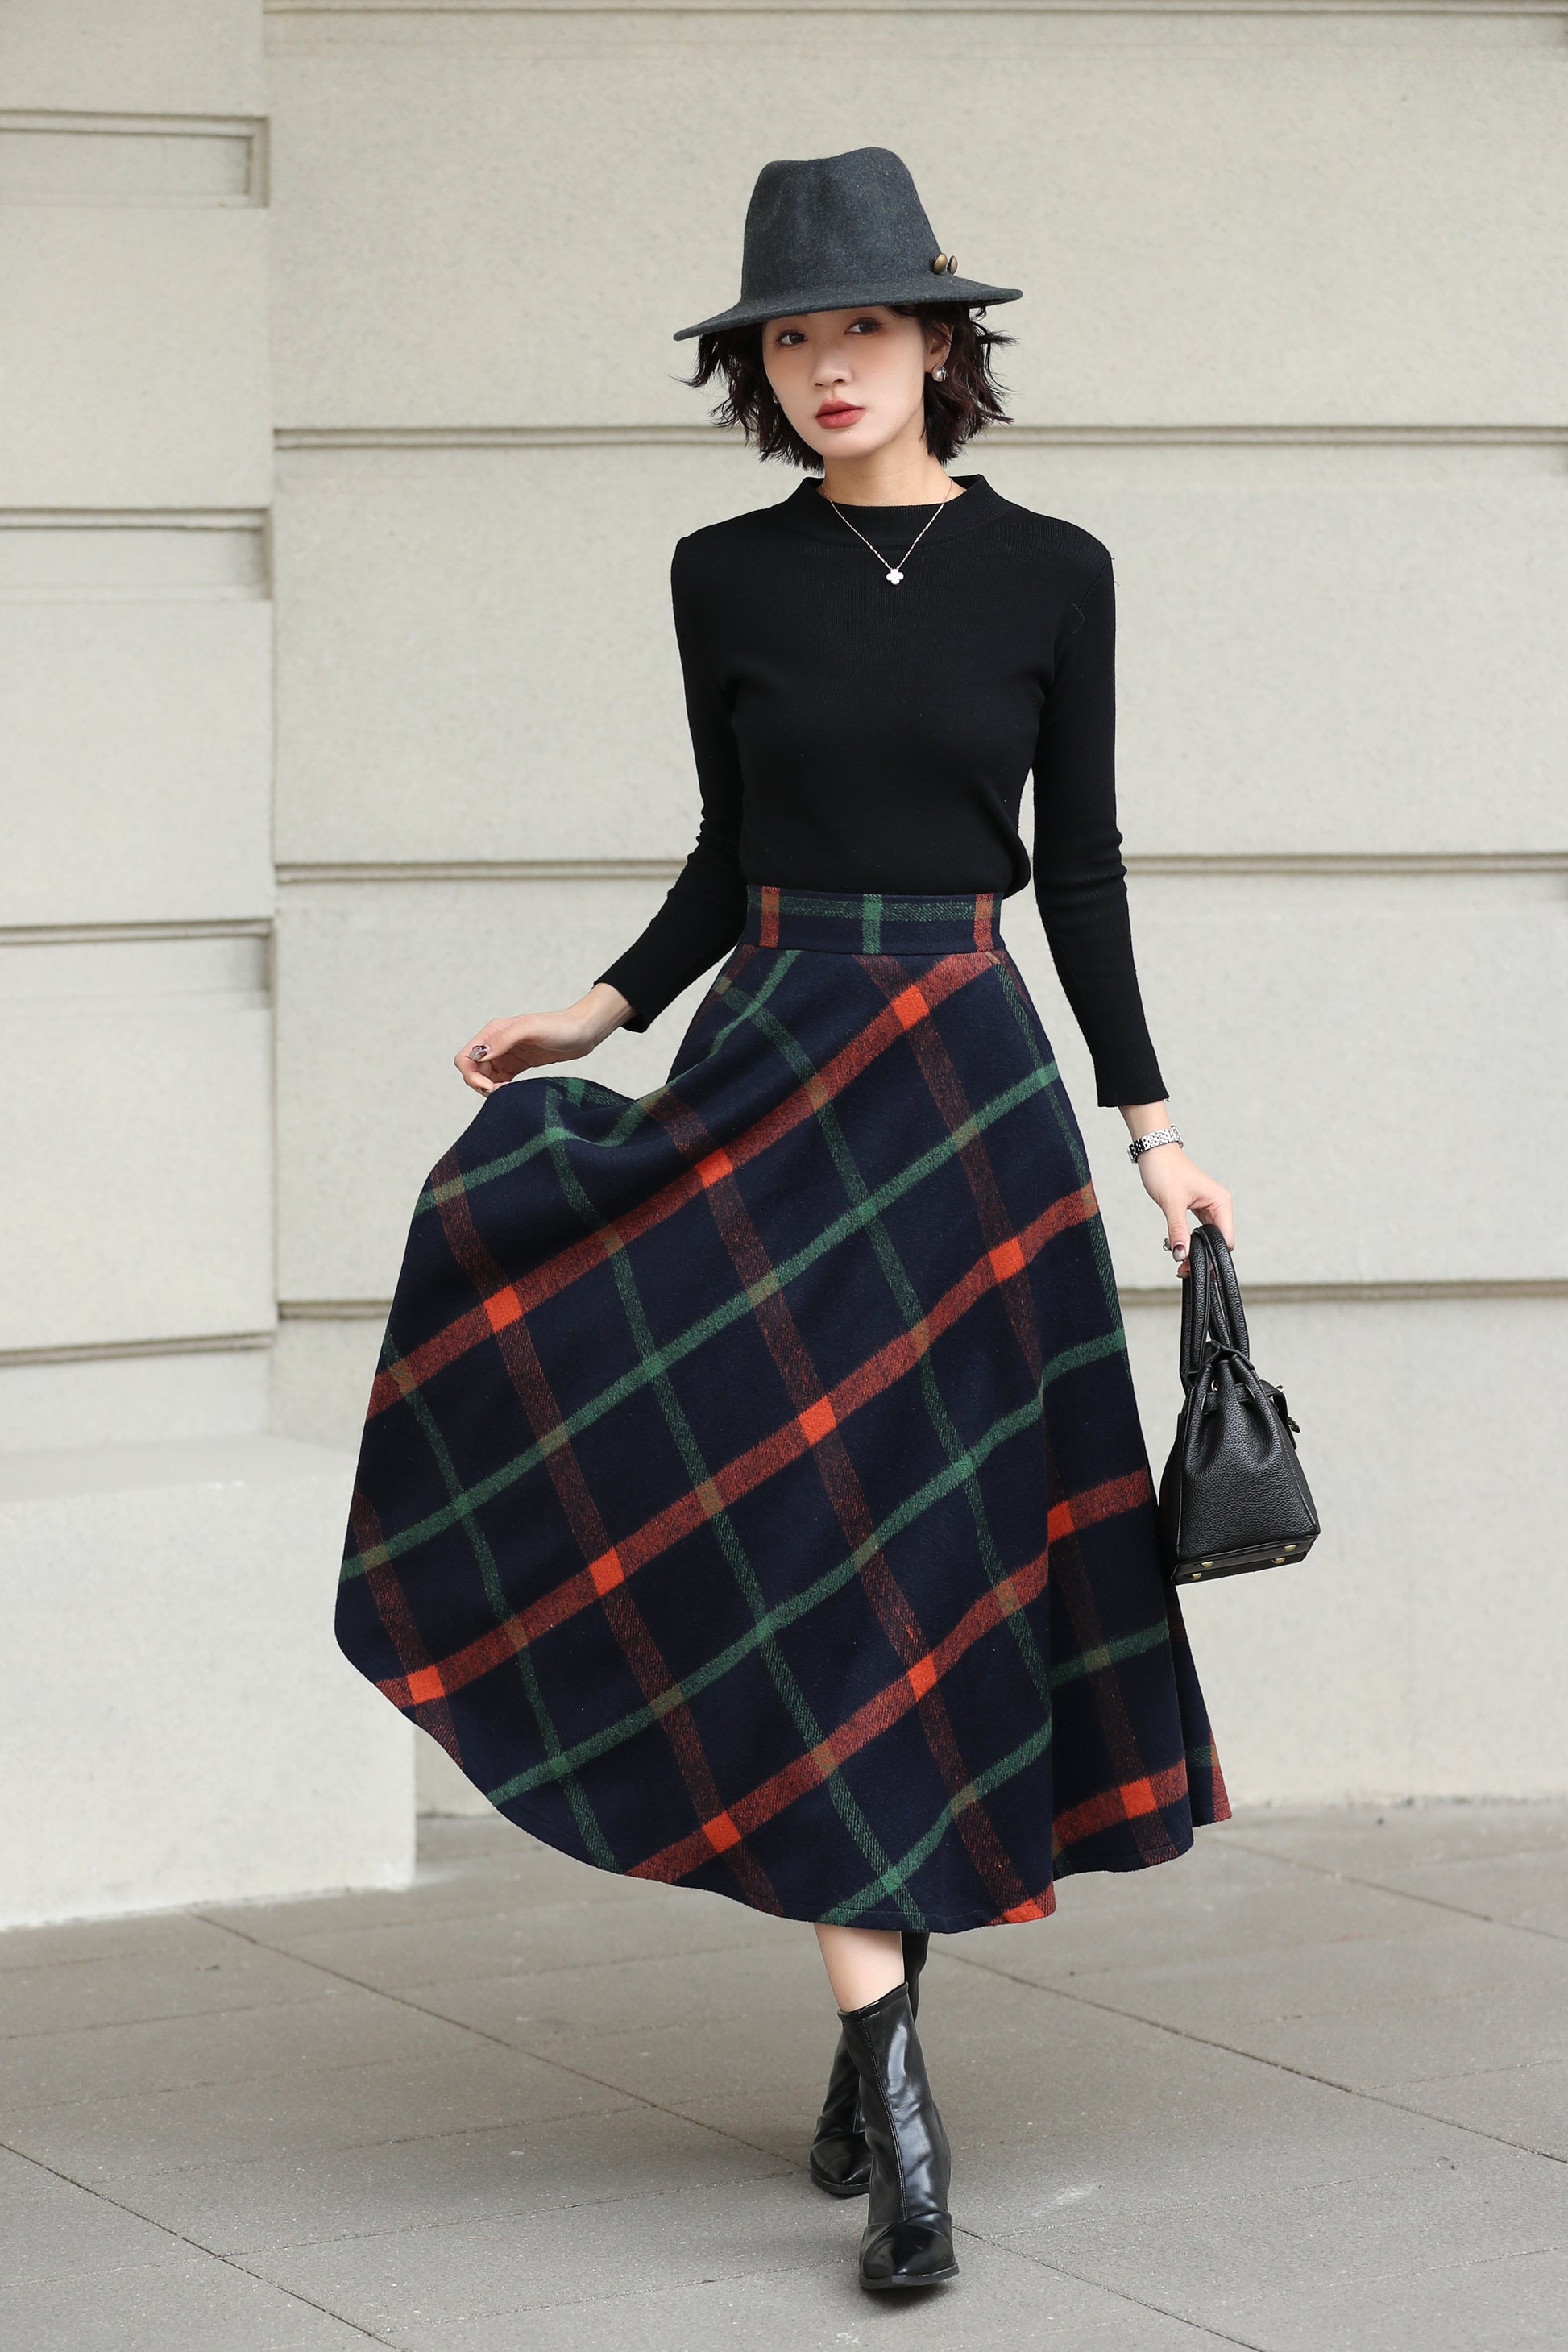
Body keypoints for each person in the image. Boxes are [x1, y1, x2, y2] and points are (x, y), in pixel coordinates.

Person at [335, 146, 1234, 2296]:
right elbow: (729, 850)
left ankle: (880, 2063)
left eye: (863, 327)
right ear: (765, 370)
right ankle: (889, 2064)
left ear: (943, 345)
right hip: (772, 1074)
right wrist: (599, 1008)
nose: (828, 366)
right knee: (805, 1540)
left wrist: (1149, 1125)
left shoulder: (1055, 572)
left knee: (927, 1558)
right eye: (792, 337)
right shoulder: (722, 574)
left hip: (969, 1103)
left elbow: (1078, 870)